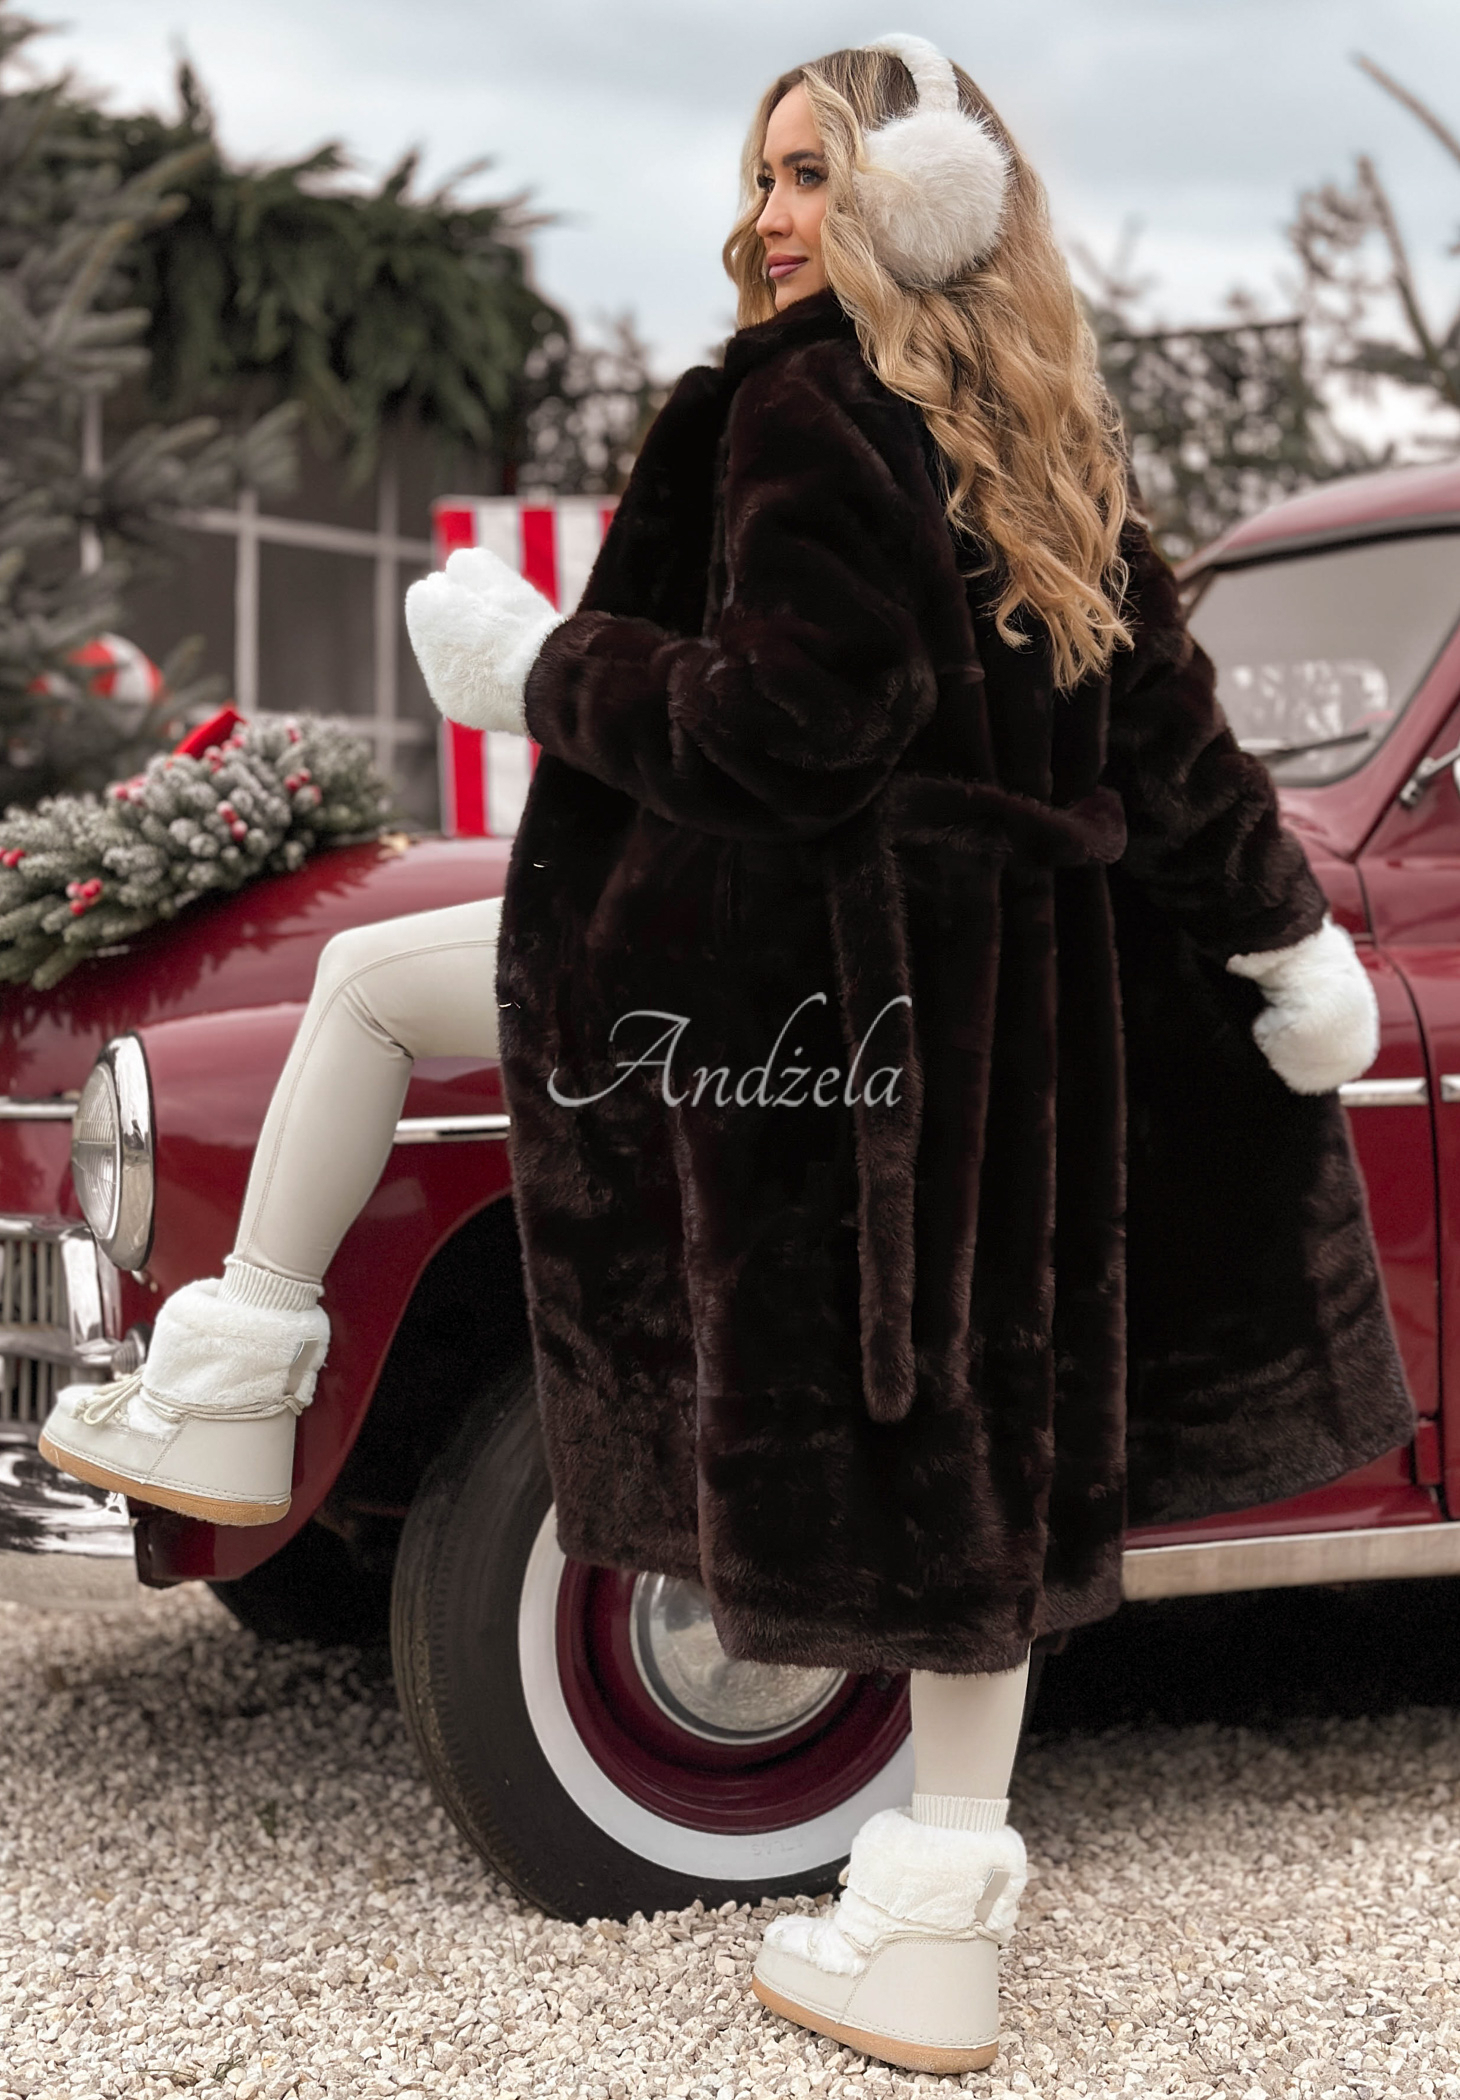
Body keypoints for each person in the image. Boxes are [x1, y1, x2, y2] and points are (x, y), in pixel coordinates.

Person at [41, 33, 1416, 2078]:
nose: (769, 217)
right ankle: (935, 1925)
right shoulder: (1050, 442)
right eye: (763, 173)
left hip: (797, 960)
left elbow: (791, 732)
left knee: (376, 997)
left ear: (920, 197)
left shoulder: (799, 405)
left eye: (812, 173)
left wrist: (541, 665)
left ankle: (239, 1392)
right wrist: (1288, 945)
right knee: (973, 1437)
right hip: (1014, 1000)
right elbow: (1177, 753)